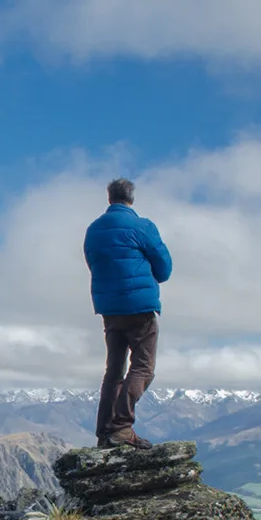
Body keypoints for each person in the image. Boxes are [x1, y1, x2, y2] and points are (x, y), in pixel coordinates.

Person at [83, 178, 172, 449]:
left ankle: (104, 433)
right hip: (141, 308)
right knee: (143, 367)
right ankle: (122, 428)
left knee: (114, 370)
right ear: (131, 199)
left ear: (109, 198)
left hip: (110, 310)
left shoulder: (94, 230)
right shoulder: (143, 226)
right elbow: (165, 269)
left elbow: (93, 263)